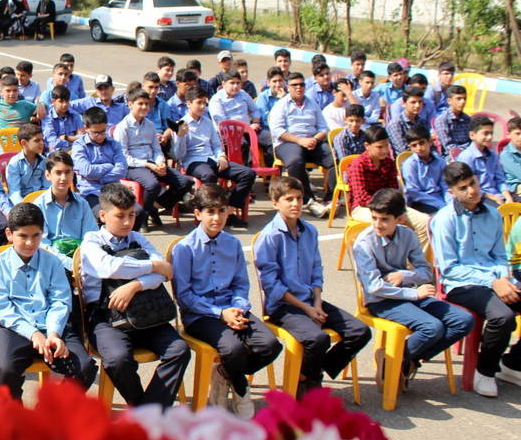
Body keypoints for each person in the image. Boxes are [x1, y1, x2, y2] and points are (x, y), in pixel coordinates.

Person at [255, 176, 371, 396]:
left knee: (360, 331)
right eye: (288, 199)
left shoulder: (309, 231)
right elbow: (271, 285)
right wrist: (307, 308)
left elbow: (316, 270)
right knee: (318, 338)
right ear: (275, 203)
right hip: (284, 305)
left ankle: (308, 371)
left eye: (299, 198)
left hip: (311, 299)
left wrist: (317, 303)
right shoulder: (269, 236)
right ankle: (308, 380)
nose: (295, 204)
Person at [173, 185, 282, 418]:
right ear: (198, 214)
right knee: (232, 349)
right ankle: (241, 388)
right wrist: (221, 313)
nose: (217, 217)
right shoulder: (184, 248)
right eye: (210, 212)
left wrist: (238, 308)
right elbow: (184, 295)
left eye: (221, 211)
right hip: (200, 315)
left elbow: (241, 284)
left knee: (270, 344)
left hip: (233, 307)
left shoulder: (232, 244)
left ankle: (225, 373)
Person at [79, 183, 188, 408]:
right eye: (120, 216)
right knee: (117, 360)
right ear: (102, 215)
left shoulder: (139, 239)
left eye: (131, 215)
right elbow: (110, 267)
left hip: (146, 312)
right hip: (107, 317)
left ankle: (149, 412)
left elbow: (164, 275)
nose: (128, 222)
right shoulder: (91, 242)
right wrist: (153, 266)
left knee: (179, 350)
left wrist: (135, 286)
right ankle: (145, 410)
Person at [353, 188, 473, 389]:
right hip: (382, 301)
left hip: (409, 295)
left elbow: (426, 271)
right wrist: (413, 292)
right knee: (432, 327)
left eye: (384, 219)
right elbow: (374, 287)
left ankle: (400, 359)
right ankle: (400, 361)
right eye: (374, 218)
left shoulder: (407, 234)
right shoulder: (364, 243)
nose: (377, 225)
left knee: (464, 320)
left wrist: (405, 275)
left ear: (399, 219)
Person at [0, 203, 96, 399]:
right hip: (12, 326)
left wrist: (53, 333)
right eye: (23, 236)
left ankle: (51, 414)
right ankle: (14, 419)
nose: (30, 243)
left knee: (84, 367)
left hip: (50, 324)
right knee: (6, 370)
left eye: (36, 235)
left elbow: (60, 301)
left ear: (42, 233)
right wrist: (33, 334)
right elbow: (2, 310)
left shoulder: (52, 262)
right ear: (10, 234)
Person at [431, 162, 521, 397]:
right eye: (463, 188)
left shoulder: (492, 213)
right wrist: (493, 281)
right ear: (452, 192)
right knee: (503, 317)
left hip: (494, 277)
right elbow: (449, 269)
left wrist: (503, 277)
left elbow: (500, 255)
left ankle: (513, 363)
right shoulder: (444, 220)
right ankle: (485, 371)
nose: (471, 191)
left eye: (473, 183)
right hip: (462, 284)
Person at [176, 86, 255, 224]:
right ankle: (208, 214)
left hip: (212, 158)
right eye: (199, 103)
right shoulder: (181, 125)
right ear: (188, 103)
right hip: (193, 161)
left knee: (248, 173)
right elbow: (179, 155)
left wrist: (221, 156)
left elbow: (216, 144)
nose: (202, 106)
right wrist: (180, 137)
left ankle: (228, 210)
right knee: (209, 175)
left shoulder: (208, 122)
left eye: (204, 103)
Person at [114, 89, 191, 230]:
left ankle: (151, 208)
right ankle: (143, 217)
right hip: (133, 166)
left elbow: (156, 148)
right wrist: (149, 165)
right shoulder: (122, 127)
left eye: (147, 104)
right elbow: (124, 157)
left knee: (185, 182)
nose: (144, 107)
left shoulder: (149, 125)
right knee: (153, 185)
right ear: (130, 104)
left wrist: (160, 161)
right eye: (140, 104)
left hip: (153, 163)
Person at [346, 125, 431, 250]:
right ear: (367, 146)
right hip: (363, 208)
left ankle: (418, 264)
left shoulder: (389, 163)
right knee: (388, 223)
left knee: (425, 222)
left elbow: (394, 191)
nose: (385, 150)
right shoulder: (358, 165)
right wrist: (389, 211)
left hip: (390, 207)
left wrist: (398, 210)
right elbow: (363, 197)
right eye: (380, 147)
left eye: (387, 146)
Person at [269, 71, 334, 218]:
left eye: (301, 84)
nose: (299, 88)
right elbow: (277, 131)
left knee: (334, 160)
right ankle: (308, 200)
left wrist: (316, 139)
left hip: (312, 141)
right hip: (288, 142)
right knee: (295, 161)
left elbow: (324, 127)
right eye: (294, 85)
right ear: (288, 87)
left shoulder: (312, 103)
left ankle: (329, 199)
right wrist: (300, 140)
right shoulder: (281, 105)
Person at [72, 106, 128, 212]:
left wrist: (100, 178)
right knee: (107, 215)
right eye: (95, 132)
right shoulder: (79, 145)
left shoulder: (114, 144)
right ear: (86, 128)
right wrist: (109, 166)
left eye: (103, 131)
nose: (100, 136)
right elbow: (87, 171)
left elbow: (122, 170)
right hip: (91, 192)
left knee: (138, 212)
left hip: (114, 189)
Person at [456, 114, 512, 205]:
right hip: (479, 197)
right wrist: (494, 198)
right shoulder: (466, 157)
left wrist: (508, 197)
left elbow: (500, 180)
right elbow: (468, 186)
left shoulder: (493, 155)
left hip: (498, 195)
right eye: (485, 133)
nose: (490, 137)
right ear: (472, 135)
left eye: (491, 133)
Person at [401, 128, 447, 215]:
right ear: (410, 147)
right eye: (414, 145)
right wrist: (440, 205)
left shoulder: (440, 161)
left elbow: (445, 186)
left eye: (422, 143)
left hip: (441, 197)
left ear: (430, 142)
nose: (419, 148)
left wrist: (449, 203)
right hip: (421, 202)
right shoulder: (409, 165)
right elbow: (413, 192)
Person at [5, 124, 49, 206]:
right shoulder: (15, 163)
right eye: (37, 141)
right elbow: (14, 193)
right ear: (24, 143)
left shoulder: (44, 161)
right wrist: (25, 208)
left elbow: (47, 187)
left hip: (41, 201)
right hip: (23, 204)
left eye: (42, 140)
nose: (42, 143)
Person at [387, 87, 430, 157]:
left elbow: (428, 144)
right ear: (403, 103)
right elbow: (403, 150)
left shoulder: (422, 122)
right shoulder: (396, 124)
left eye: (420, 102)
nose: (417, 105)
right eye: (413, 102)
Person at [432, 84, 471, 156]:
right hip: (451, 156)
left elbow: (471, 139)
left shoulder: (468, 119)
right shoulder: (442, 120)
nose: (463, 102)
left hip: (469, 153)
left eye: (464, 98)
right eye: (459, 99)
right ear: (449, 101)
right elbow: (449, 146)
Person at [42, 85, 82, 154]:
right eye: (61, 101)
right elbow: (52, 142)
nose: (65, 104)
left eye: (67, 101)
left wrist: (67, 138)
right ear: (53, 101)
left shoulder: (75, 115)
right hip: (55, 154)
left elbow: (83, 138)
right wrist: (73, 139)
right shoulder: (47, 117)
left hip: (74, 152)